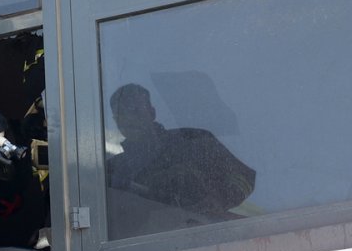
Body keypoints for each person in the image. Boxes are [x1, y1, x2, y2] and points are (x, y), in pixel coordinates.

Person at [106, 83, 256, 224]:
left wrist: (219, 200)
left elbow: (243, 176)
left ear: (151, 113)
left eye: (135, 111)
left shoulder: (194, 140)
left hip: (205, 230)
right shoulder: (111, 171)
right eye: (121, 116)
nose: (129, 120)